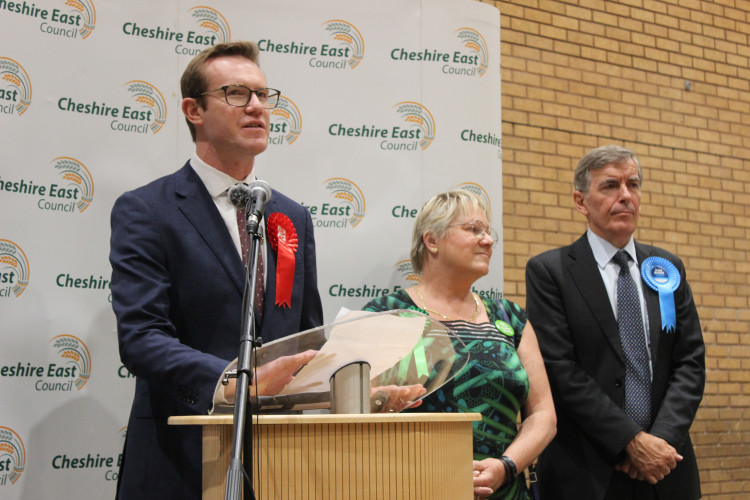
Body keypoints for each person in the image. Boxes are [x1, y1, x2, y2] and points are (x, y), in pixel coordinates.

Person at [109, 41, 324, 500]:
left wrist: (364, 390)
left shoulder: (291, 217)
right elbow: (141, 339)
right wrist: (235, 380)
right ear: (194, 110)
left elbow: (308, 335)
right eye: (237, 94)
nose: (258, 108)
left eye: (265, 96)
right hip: (181, 457)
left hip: (282, 462)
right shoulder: (148, 210)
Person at [525, 145, 706, 500]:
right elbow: (560, 369)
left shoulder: (666, 268)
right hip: (588, 468)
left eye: (633, 185)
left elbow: (690, 361)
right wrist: (629, 441)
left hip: (667, 467)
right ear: (581, 201)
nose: (625, 196)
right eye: (610, 186)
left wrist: (660, 441)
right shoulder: (551, 271)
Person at [363, 190, 556, 500]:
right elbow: (355, 408)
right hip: (417, 487)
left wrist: (506, 466)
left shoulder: (510, 317)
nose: (488, 241)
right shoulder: (388, 314)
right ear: (432, 241)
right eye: (473, 229)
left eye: (488, 232)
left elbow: (543, 415)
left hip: (504, 490)